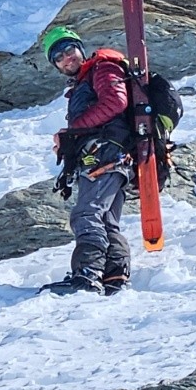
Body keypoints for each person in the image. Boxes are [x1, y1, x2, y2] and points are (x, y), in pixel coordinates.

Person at [42, 25, 134, 295]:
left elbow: (116, 102)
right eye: (57, 57)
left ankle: (87, 275)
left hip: (106, 152)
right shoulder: (86, 79)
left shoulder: (102, 67)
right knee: (105, 219)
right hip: (109, 154)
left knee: (86, 213)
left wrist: (74, 130)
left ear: (80, 48)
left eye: (69, 49)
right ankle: (114, 275)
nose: (65, 58)